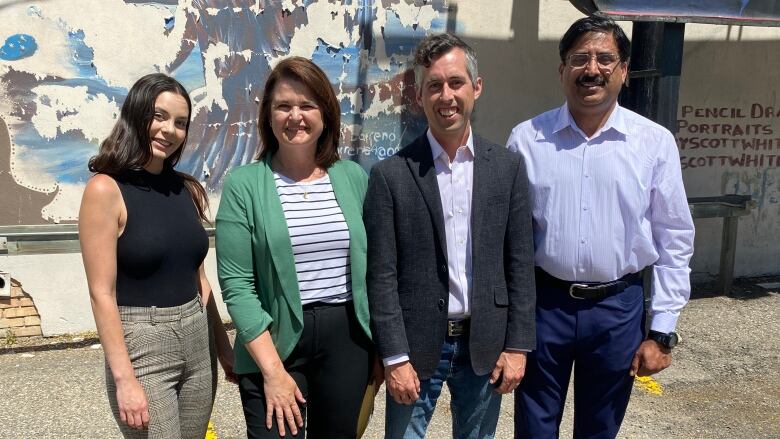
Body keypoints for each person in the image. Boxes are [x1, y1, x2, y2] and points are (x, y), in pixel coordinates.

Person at [507, 16, 695, 438]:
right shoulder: (525, 139)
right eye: (579, 59)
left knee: (599, 430)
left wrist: (662, 330)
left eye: (605, 58)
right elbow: (511, 239)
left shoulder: (653, 142)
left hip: (617, 309)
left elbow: (674, 238)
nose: (592, 69)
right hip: (544, 306)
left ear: (624, 71)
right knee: (533, 429)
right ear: (562, 70)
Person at [364, 33, 537, 438]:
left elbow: (519, 263)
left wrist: (517, 345)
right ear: (419, 95)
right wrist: (393, 356)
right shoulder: (391, 176)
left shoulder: (506, 168)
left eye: (456, 82)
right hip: (417, 347)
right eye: (434, 85)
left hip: (486, 343)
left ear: (476, 87)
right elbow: (382, 276)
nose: (446, 96)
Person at [215, 56, 382, 439]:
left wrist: (378, 346)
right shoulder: (244, 185)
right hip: (272, 339)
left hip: (347, 341)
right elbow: (238, 288)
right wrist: (273, 373)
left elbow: (373, 269)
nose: (296, 116)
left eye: (307, 105)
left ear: (325, 113)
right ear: (268, 115)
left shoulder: (353, 177)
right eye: (284, 105)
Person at [79, 73, 235, 438]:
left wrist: (223, 346)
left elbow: (198, 278)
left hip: (198, 339)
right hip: (142, 344)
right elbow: (101, 293)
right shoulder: (105, 189)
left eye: (180, 122)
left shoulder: (185, 189)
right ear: (136, 114)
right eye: (159, 116)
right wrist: (124, 379)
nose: (170, 130)